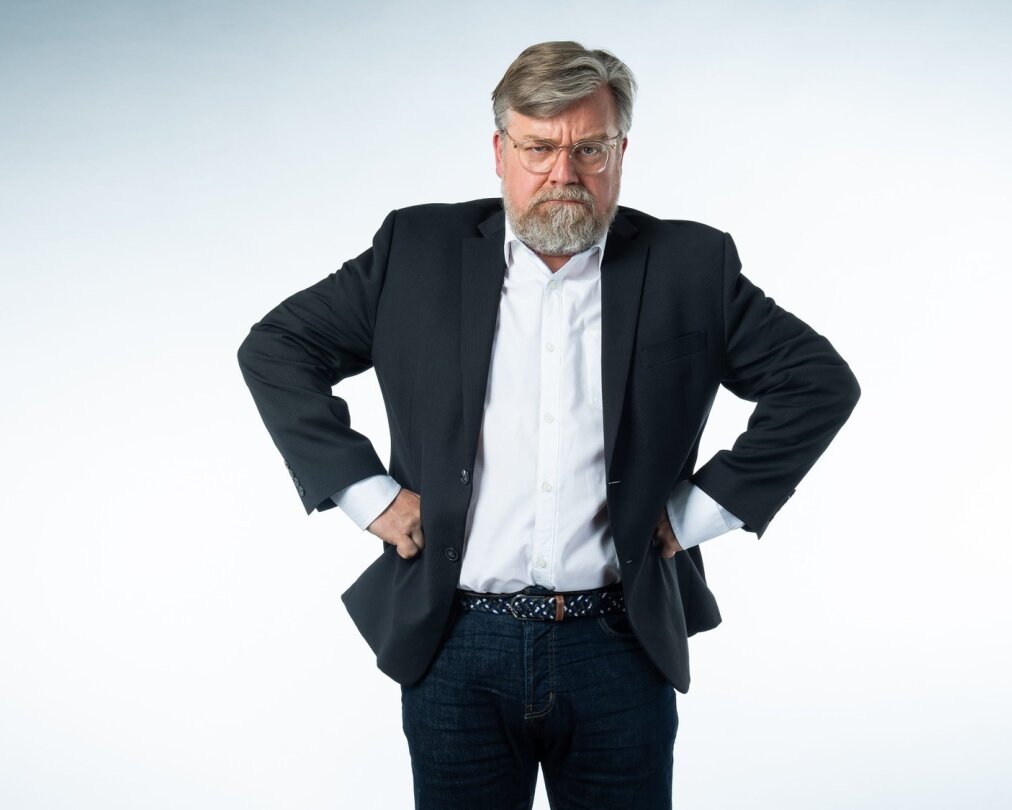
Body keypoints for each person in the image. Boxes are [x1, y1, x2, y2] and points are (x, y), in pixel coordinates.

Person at [237, 40, 859, 810]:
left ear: (620, 151)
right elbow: (277, 348)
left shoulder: (690, 265)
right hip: (456, 642)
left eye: (589, 149)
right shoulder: (416, 251)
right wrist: (370, 496)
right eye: (538, 148)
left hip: (617, 644)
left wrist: (696, 516)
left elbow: (816, 382)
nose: (564, 174)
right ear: (499, 151)